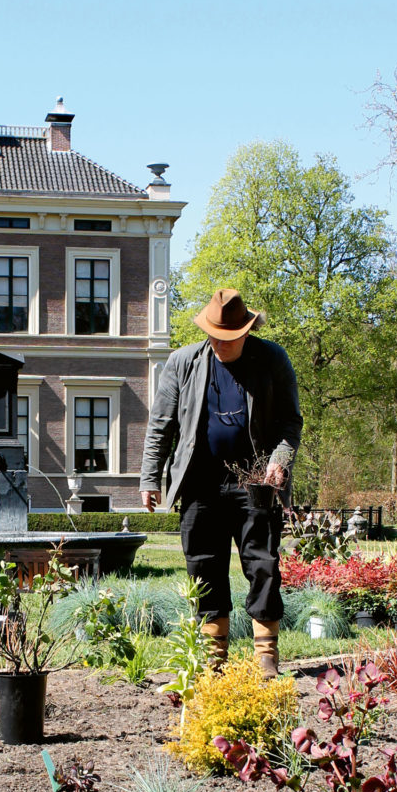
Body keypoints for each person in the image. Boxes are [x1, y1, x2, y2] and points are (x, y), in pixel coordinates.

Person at [139, 288, 303, 677]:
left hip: (255, 484)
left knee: (263, 565)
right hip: (199, 485)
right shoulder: (181, 363)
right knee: (204, 568)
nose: (220, 343)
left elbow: (289, 422)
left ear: (246, 332)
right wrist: (150, 476)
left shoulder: (272, 359)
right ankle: (214, 662)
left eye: (228, 337)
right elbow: (161, 424)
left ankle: (266, 659)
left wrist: (279, 461)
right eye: (214, 335)